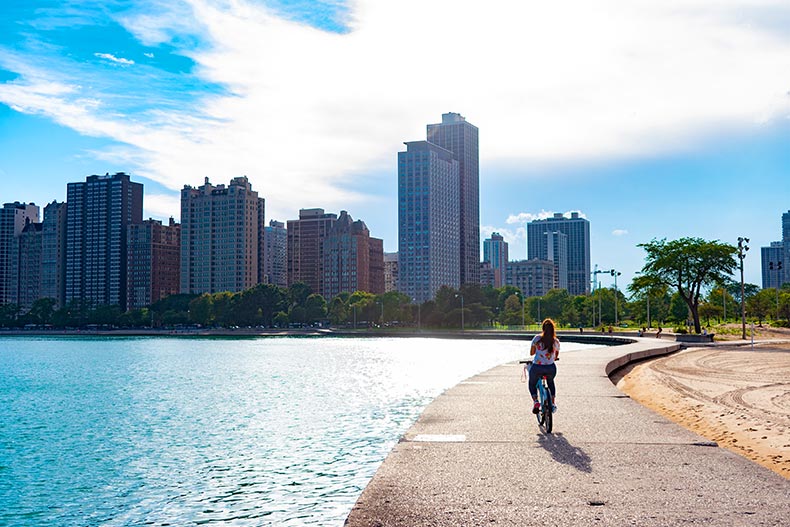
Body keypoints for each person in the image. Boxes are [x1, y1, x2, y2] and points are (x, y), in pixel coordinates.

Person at [528, 318, 560, 414]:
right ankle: (553, 403)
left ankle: (536, 401)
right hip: (550, 368)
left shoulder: (537, 339)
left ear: (543, 328)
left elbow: (531, 353)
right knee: (550, 382)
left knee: (532, 384)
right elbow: (556, 354)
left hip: (537, 367)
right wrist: (553, 358)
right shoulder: (555, 341)